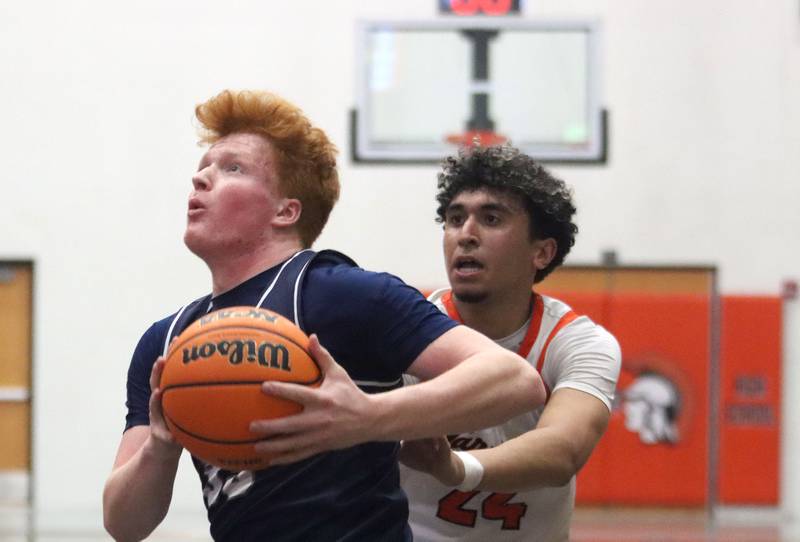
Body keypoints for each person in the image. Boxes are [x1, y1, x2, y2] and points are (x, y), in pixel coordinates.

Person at [102, 90, 546, 542]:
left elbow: (515, 380)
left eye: (232, 168)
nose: (201, 181)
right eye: (203, 169)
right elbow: (124, 525)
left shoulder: (341, 293)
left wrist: (368, 416)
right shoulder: (167, 341)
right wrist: (160, 448)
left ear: (285, 211)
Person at [399, 144, 621, 541]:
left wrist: (455, 468)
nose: (465, 235)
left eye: (491, 218)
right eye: (454, 218)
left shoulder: (577, 343)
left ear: (541, 252)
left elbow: (562, 450)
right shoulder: (400, 329)